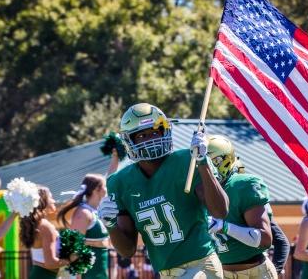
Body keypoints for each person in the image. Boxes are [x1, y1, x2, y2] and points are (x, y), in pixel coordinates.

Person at [98, 103, 229, 278]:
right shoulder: (119, 182)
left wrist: (203, 163)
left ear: (165, 131)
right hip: (166, 273)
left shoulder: (187, 161)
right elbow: (128, 251)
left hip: (201, 265)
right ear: (130, 140)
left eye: (154, 132)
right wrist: (111, 226)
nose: (150, 139)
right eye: (142, 135)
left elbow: (220, 211)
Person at [205, 135, 278, 278]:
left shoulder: (243, 184)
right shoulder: (200, 191)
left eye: (212, 162)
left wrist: (224, 227)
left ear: (226, 160)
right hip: (220, 273)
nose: (207, 167)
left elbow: (264, 239)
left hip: (255, 272)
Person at [57, 174, 110, 279]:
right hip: (87, 275)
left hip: (100, 272)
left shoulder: (95, 211)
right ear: (96, 190)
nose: (106, 189)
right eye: (104, 186)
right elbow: (74, 248)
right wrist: (78, 276)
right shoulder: (83, 213)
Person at [20, 185, 75, 278]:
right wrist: (72, 258)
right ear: (42, 201)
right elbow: (50, 263)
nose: (53, 201)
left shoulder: (39, 224)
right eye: (51, 197)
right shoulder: (45, 227)